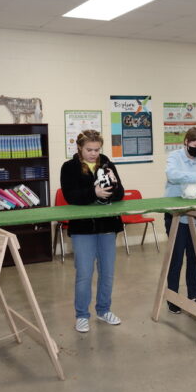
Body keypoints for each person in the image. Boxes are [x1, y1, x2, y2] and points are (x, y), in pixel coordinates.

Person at [60, 130, 124, 333]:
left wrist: (113, 185)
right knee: (85, 274)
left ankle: (104, 310)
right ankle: (81, 315)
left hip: (107, 226)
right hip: (83, 228)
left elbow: (120, 193)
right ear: (80, 147)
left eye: (97, 150)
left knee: (107, 273)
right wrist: (93, 192)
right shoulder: (69, 167)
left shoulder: (106, 164)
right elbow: (70, 196)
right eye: (89, 149)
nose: (94, 154)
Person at [163, 127, 196, 314]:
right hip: (176, 215)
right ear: (186, 142)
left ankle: (194, 293)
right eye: (195, 145)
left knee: (194, 255)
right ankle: (172, 295)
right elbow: (172, 175)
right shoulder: (175, 157)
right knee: (176, 257)